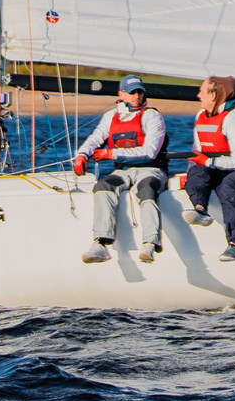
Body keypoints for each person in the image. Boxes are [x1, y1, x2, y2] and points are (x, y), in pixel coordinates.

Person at [70, 75, 168, 265]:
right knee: (103, 186)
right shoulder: (111, 116)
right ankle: (101, 244)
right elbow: (95, 138)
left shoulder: (152, 116)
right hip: (124, 171)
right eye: (132, 92)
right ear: (121, 94)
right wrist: (82, 154)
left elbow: (149, 152)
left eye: (140, 92)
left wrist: (111, 154)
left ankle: (149, 243)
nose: (137, 96)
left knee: (147, 189)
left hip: (151, 170)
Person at [181, 75, 235, 262]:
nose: (198, 95)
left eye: (202, 90)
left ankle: (233, 245)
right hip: (218, 167)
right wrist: (201, 168)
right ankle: (200, 209)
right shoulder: (201, 116)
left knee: (227, 185)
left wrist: (209, 163)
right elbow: (199, 153)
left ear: (214, 94)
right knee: (195, 172)